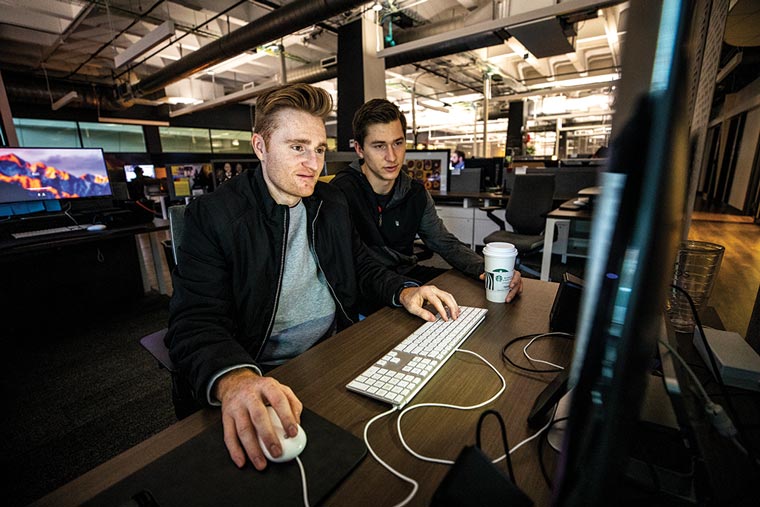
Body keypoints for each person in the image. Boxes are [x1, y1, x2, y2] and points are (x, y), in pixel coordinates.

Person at [166, 83, 461, 472]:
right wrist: (236, 380)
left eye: (319, 149)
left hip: (334, 353)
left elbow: (361, 264)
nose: (314, 164)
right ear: (260, 147)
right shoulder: (215, 216)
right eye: (297, 147)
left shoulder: (330, 201)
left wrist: (405, 291)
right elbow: (194, 320)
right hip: (264, 369)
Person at [331, 98, 522, 314]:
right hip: (366, 287)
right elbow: (352, 266)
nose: (392, 156)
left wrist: (488, 270)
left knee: (472, 299)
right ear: (359, 149)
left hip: (406, 275)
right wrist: (404, 291)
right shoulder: (341, 193)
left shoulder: (415, 192)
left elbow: (444, 243)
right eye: (379, 146)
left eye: (398, 143)